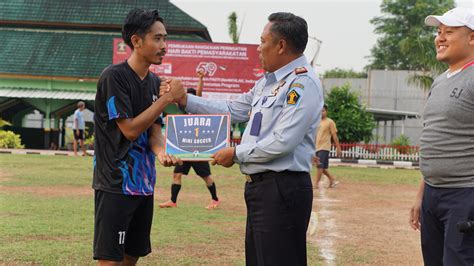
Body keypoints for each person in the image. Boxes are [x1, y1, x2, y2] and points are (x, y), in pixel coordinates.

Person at [165, 12, 323, 266]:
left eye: (262, 41)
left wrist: (236, 154)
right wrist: (186, 100)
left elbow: (284, 141)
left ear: (281, 45)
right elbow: (232, 109)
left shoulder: (302, 84)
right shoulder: (267, 83)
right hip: (260, 187)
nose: (258, 48)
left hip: (282, 188)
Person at [92, 9, 181, 265]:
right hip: (115, 184)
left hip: (144, 185)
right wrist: (166, 99)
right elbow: (130, 130)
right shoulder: (114, 77)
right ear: (136, 41)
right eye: (157, 38)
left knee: (133, 257)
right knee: (111, 259)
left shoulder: (154, 82)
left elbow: (154, 131)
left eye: (165, 38)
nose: (164, 46)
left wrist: (162, 152)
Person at [409, 7, 474, 265]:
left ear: (472, 38)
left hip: (465, 195)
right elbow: (437, 141)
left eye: (449, 31)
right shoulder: (440, 81)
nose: (440, 38)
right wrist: (420, 196)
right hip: (433, 195)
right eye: (438, 32)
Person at [159, 71, 220, 210]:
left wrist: (200, 78)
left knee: (206, 177)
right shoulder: (183, 108)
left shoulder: (198, 108)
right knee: (176, 174)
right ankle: (173, 201)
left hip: (198, 150)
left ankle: (215, 199)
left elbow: (199, 93)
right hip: (184, 149)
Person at [313, 104, 342, 189]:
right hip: (316, 147)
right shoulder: (316, 122)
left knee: (320, 165)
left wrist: (338, 147)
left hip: (324, 147)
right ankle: (332, 179)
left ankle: (316, 184)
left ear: (326, 111)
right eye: (320, 111)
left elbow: (334, 136)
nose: (321, 112)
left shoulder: (330, 122)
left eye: (323, 111)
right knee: (321, 167)